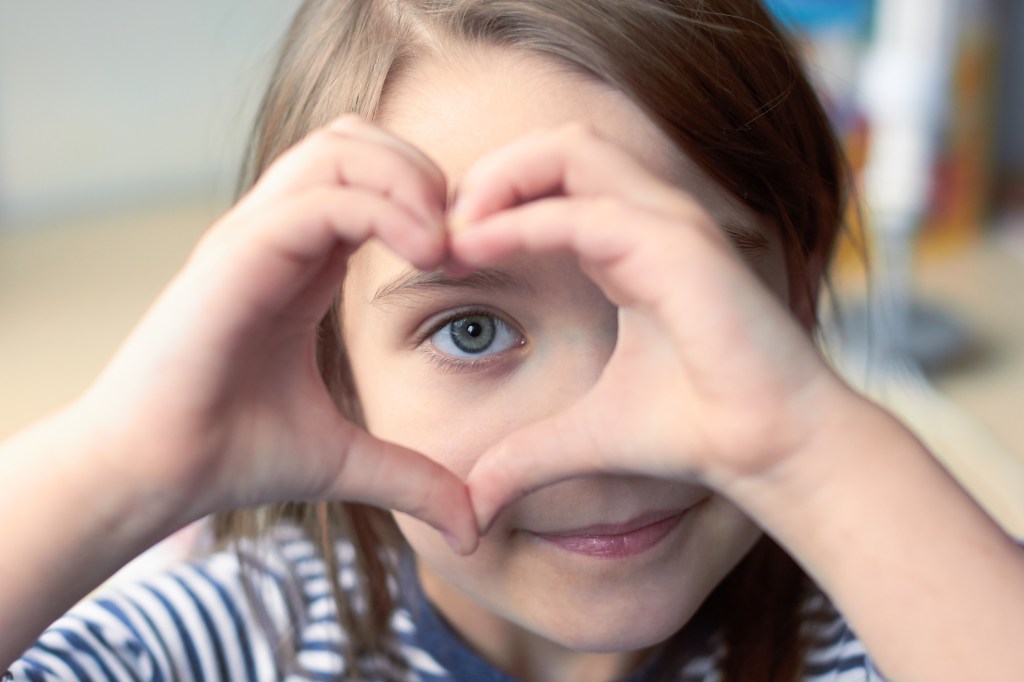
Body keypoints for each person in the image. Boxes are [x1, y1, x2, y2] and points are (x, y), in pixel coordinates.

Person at [2, 0, 1022, 680]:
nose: (602, 428)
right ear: (338, 373)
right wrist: (120, 465)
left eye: (681, 296)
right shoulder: (233, 640)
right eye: (471, 326)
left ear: (796, 296)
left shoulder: (909, 615)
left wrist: (805, 446)